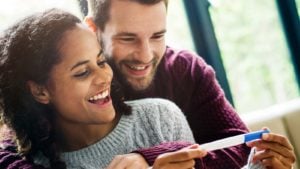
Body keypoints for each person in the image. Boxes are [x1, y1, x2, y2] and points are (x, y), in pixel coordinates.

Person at [0, 1, 296, 169]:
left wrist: (152, 157)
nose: (145, 55)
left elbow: (239, 145)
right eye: (128, 38)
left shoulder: (181, 77)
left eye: (157, 36)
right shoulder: (48, 105)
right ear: (94, 30)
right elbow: (9, 152)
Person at [0, 8, 202, 169]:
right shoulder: (32, 163)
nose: (104, 77)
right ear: (40, 91)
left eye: (101, 61)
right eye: (82, 73)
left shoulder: (160, 118)